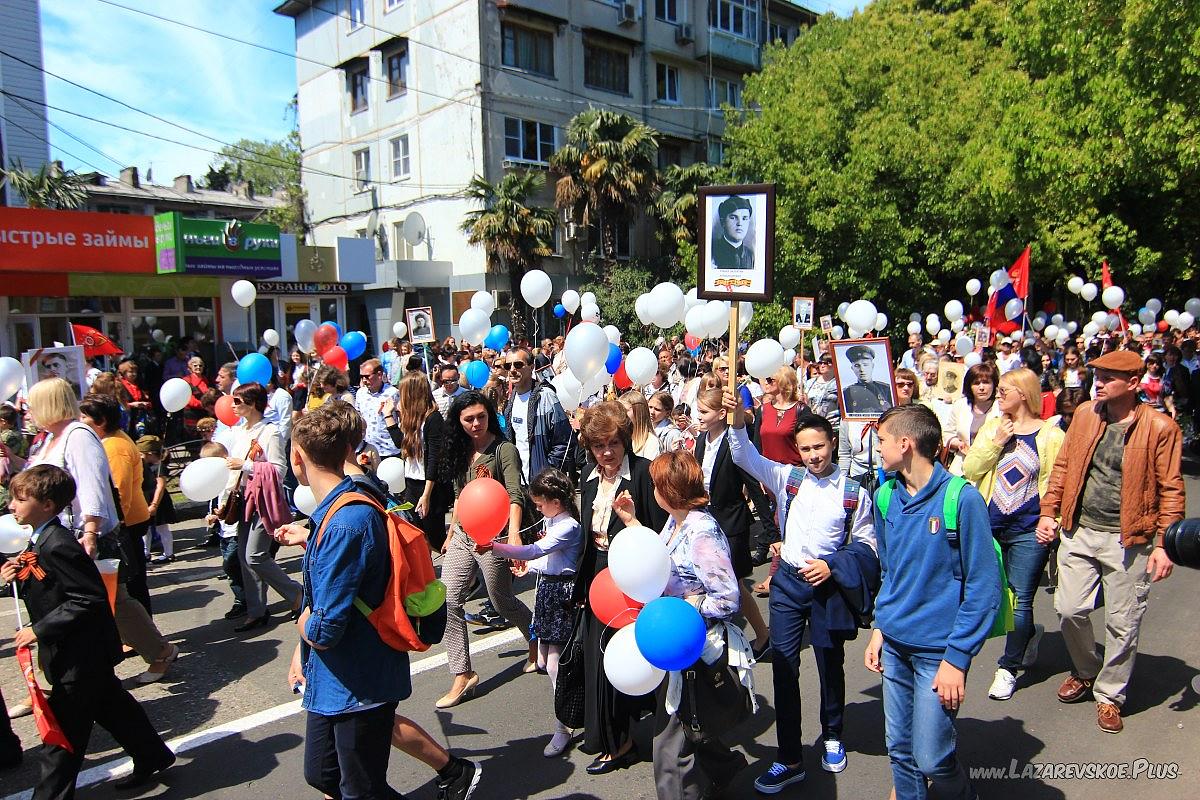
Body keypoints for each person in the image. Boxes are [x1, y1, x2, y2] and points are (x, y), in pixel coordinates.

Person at [725, 394, 877, 790]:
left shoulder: (853, 492)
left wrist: (833, 566)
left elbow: (867, 545)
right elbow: (745, 457)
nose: (813, 455)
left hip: (828, 589)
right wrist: (738, 421)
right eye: (806, 448)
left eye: (819, 447)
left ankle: (832, 736)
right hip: (789, 585)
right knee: (784, 666)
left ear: (833, 445)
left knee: (829, 664)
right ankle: (790, 757)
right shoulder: (788, 478)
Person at [1, 465, 176, 799]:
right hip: (78, 653)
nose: (11, 506)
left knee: (62, 737)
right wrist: (14, 576)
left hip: (80, 655)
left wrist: (39, 629)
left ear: (47, 505)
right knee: (113, 707)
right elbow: (51, 588)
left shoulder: (57, 545)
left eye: (19, 499)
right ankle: (153, 755)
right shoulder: (41, 540)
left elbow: (88, 597)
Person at [1038, 349, 1183, 733]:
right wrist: (1048, 512)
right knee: (1069, 608)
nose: (1097, 383)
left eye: (1107, 378)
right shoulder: (1086, 414)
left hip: (1129, 538)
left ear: (1133, 383)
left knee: (1123, 621)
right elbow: (1064, 467)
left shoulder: (1161, 428)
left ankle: (1109, 694)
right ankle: (1086, 670)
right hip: (1078, 529)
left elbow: (1171, 488)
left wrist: (1167, 544)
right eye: (1096, 375)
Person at [864, 404, 999, 800]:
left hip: (937, 654)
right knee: (900, 751)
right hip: (896, 648)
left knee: (932, 757)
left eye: (882, 441)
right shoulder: (885, 496)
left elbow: (982, 588)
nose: (878, 449)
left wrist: (957, 659)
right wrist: (879, 628)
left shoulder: (961, 499)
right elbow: (890, 573)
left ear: (905, 444)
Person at [285, 410, 414, 800]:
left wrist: (301, 627)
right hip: (335, 675)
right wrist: (301, 648)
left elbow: (325, 626)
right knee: (322, 773)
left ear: (297, 460)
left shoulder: (346, 521)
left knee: (360, 787)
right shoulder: (335, 513)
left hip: (360, 679)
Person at [13, 379, 177, 685]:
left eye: (33, 404)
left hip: (84, 535)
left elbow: (93, 488)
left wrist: (90, 531)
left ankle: (160, 652)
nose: (28, 410)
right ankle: (51, 678)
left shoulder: (77, 436)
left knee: (114, 602)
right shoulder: (48, 439)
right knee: (68, 603)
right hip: (55, 535)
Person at [611, 451, 748, 800]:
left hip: (693, 647)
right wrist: (632, 524)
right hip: (676, 644)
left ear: (668, 491)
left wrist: (687, 607)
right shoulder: (677, 521)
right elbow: (661, 560)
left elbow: (728, 598)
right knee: (689, 723)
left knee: (669, 748)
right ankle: (723, 768)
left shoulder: (701, 532)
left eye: (657, 485)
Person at [574, 402, 669, 774]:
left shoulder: (644, 474)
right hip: (598, 576)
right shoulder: (587, 476)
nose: (607, 453)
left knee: (638, 658)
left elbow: (660, 533)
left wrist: (633, 522)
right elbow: (586, 536)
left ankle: (654, 737)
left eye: (613, 443)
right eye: (599, 446)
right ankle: (615, 740)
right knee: (599, 660)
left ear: (625, 440)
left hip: (634, 575)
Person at [962, 368, 1064, 701]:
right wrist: (995, 444)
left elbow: (1059, 483)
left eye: (1005, 389)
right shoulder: (993, 427)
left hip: (1028, 529)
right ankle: (1029, 634)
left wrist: (1053, 519)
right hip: (990, 526)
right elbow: (971, 469)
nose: (999, 393)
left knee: (1020, 599)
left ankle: (1007, 667)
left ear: (1024, 393)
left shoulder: (1051, 434)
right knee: (992, 594)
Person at [436, 391, 535, 709]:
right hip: (463, 535)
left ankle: (536, 638)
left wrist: (515, 536)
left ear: (490, 415)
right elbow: (459, 495)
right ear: (458, 421)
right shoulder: (459, 449)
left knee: (501, 601)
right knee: (449, 599)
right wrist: (452, 531)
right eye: (468, 419)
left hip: (496, 537)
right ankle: (462, 674)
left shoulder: (503, 449)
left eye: (481, 417)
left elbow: (514, 494)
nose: (476, 423)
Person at [482, 468, 583, 758]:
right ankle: (566, 714)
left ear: (555, 500)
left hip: (561, 594)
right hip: (549, 591)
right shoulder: (555, 522)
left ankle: (563, 723)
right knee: (544, 659)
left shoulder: (568, 527)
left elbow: (536, 551)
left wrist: (496, 547)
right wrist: (530, 568)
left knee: (553, 663)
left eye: (540, 503)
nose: (537, 508)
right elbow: (548, 561)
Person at [693, 388, 772, 657]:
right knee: (710, 583)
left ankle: (762, 635)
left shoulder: (733, 443)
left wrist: (772, 533)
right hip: (707, 521)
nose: (698, 416)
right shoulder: (702, 440)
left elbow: (753, 484)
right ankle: (716, 640)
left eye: (704, 411)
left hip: (731, 524)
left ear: (721, 414)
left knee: (733, 585)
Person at [226, 381, 302, 631]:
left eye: (238, 401)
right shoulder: (239, 431)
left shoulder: (270, 432)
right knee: (243, 556)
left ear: (252, 404)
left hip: (264, 501)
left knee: (255, 555)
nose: (233, 405)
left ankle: (297, 595)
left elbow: (279, 470)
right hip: (244, 498)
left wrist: (246, 465)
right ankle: (256, 610)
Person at [77, 395, 155, 614]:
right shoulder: (110, 441)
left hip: (127, 523)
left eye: (84, 416)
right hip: (128, 520)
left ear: (100, 421)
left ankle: (141, 636)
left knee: (131, 583)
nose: (79, 420)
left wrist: (115, 526)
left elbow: (120, 493)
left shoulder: (114, 446)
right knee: (132, 581)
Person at [382, 374, 452, 551]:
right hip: (412, 484)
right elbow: (400, 443)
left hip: (430, 487)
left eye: (402, 392)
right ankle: (427, 577)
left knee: (436, 538)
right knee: (418, 536)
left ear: (413, 393)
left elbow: (434, 458)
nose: (400, 396)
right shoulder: (411, 419)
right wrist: (388, 416)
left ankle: (467, 577)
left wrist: (426, 495)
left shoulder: (433, 418)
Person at [502, 348, 575, 480]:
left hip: (542, 483)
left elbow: (566, 441)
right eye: (508, 365)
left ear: (531, 367)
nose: (512, 370)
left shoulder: (546, 396)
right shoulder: (511, 400)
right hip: (519, 482)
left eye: (518, 365)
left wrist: (548, 472)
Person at [202, 440, 247, 619]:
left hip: (234, 529)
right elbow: (213, 500)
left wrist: (221, 512)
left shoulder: (232, 477)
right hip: (223, 531)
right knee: (232, 569)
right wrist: (211, 515)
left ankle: (244, 600)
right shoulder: (214, 479)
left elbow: (232, 500)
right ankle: (241, 600)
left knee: (230, 565)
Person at [944, 361, 1001, 475]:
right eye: (976, 383)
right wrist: (958, 444)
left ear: (994, 384)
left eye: (986, 382)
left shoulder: (1001, 407)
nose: (981, 387)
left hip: (992, 468)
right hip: (961, 466)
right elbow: (947, 433)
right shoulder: (960, 405)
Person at [136, 436, 176, 564]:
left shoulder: (159, 467)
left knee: (162, 528)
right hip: (146, 499)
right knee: (145, 529)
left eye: (142, 454)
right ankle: (145, 552)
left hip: (158, 501)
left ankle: (169, 553)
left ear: (150, 454)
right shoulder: (146, 466)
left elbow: (160, 486)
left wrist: (154, 504)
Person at [355, 358, 401, 458]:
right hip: (368, 450)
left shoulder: (393, 393)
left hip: (389, 450)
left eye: (367, 377)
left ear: (379, 375)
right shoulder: (360, 393)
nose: (364, 380)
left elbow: (402, 417)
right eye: (362, 377)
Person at [841, 345, 893, 416]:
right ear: (852, 368)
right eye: (857, 366)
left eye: (865, 365)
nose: (862, 370)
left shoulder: (886, 389)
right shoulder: (846, 392)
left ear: (872, 366)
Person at [711, 195, 755, 270]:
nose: (739, 223)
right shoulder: (712, 251)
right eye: (733, 217)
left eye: (744, 218)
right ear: (723, 221)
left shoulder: (751, 256)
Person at [618, 390, 662, 461]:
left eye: (625, 410)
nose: (620, 414)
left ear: (638, 413)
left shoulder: (651, 442)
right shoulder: (621, 438)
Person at [804, 353, 840, 427]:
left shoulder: (838, 384)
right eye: (820, 363)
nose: (822, 365)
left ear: (834, 364)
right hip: (812, 423)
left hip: (832, 424)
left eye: (826, 363)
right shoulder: (810, 382)